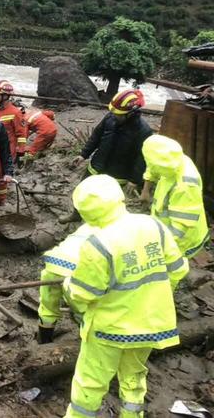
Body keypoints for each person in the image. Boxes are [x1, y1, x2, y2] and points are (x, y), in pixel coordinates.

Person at [62, 175, 188, 418]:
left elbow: (82, 294)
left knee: (90, 383)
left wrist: (69, 284)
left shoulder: (97, 244)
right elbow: (179, 269)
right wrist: (154, 296)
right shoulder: (153, 225)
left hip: (109, 331)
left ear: (87, 211)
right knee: (134, 380)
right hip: (152, 324)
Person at [60, 89, 153, 224]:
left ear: (131, 113)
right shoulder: (111, 117)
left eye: (118, 114)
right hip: (97, 165)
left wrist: (134, 180)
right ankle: (76, 215)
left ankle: (97, 226)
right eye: (113, 112)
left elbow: (142, 158)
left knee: (107, 202)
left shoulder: (143, 130)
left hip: (118, 174)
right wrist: (83, 155)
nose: (114, 115)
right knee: (82, 191)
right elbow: (96, 136)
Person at [141, 135, 210, 259]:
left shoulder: (186, 185)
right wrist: (146, 189)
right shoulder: (173, 158)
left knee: (174, 270)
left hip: (185, 239)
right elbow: (152, 166)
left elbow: (181, 227)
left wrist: (165, 251)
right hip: (166, 228)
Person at [36, 223, 92, 344]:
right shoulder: (113, 232)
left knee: (48, 305)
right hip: (76, 269)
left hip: (53, 263)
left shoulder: (87, 225)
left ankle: (44, 343)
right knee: (85, 309)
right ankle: (87, 342)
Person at [0, 81, 26, 202]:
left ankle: (0, 199)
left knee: (1, 177)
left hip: (6, 151)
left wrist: (20, 153)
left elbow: (21, 134)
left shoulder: (15, 112)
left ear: (5, 96)